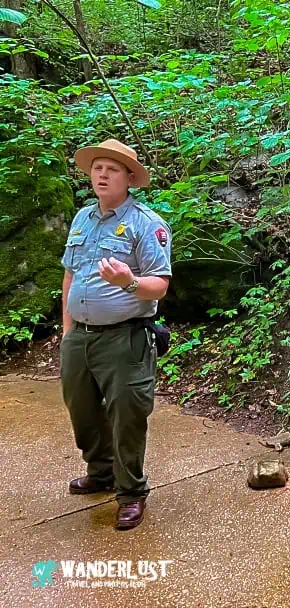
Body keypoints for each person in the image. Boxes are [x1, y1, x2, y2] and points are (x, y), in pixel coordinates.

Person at [59, 138, 172, 530]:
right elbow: (70, 276)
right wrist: (67, 332)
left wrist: (128, 282)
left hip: (125, 338)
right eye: (97, 168)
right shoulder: (82, 219)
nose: (102, 175)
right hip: (80, 337)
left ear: (129, 178)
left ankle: (131, 492)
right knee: (82, 410)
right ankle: (101, 472)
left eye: (112, 169)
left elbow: (159, 285)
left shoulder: (147, 224)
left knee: (127, 416)